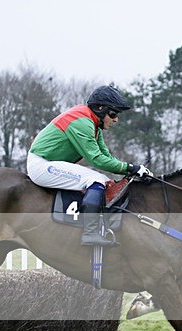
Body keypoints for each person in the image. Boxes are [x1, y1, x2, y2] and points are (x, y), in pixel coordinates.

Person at [27, 85, 153, 246]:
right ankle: (89, 233)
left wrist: (131, 171)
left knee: (104, 180)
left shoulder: (93, 125)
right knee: (96, 181)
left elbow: (106, 156)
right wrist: (131, 167)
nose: (116, 120)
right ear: (100, 108)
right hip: (41, 165)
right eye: (113, 114)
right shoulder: (82, 122)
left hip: (50, 162)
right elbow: (97, 160)